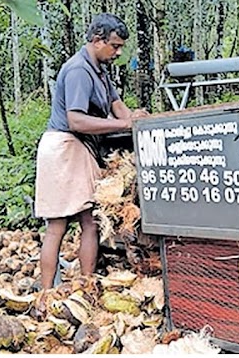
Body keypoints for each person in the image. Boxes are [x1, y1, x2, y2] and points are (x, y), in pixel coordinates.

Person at [34, 13, 148, 290]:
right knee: (58, 225)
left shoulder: (99, 69)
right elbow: (76, 120)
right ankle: (46, 293)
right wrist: (122, 124)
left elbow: (116, 103)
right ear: (97, 41)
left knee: (90, 221)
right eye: (115, 46)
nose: (118, 52)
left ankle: (86, 286)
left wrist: (134, 119)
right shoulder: (77, 70)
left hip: (79, 149)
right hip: (63, 148)